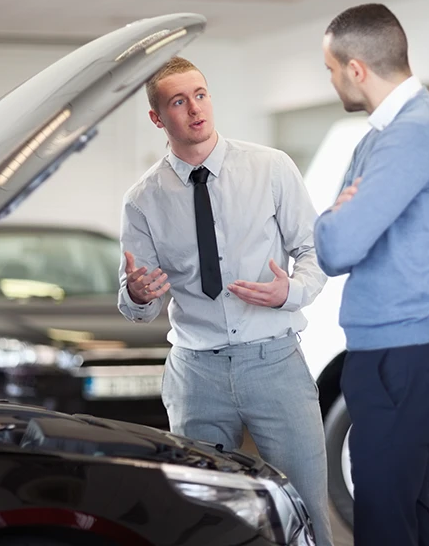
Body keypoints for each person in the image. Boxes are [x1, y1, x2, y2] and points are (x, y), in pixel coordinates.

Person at [117, 56, 332, 545]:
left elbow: (314, 250)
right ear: (157, 118)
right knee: (201, 516)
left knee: (306, 507)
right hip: (197, 374)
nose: (195, 109)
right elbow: (138, 300)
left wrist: (291, 292)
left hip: (274, 361)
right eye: (178, 101)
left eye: (201, 94)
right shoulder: (142, 200)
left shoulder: (271, 167)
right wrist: (136, 293)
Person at [314, 4, 429, 546]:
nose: (331, 79)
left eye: (331, 69)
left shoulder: (415, 134)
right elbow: (342, 231)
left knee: (384, 520)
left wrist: (335, 217)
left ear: (356, 68)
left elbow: (339, 246)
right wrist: (340, 216)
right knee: (406, 512)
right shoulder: (381, 136)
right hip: (390, 354)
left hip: (401, 358)